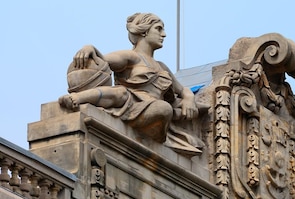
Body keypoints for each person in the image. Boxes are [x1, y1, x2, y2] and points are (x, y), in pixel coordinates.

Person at [59, 13, 202, 154]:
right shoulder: (132, 57)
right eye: (158, 29)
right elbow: (102, 60)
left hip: (154, 110)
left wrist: (189, 99)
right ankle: (77, 98)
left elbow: (183, 90)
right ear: (144, 31)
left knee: (163, 108)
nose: (164, 34)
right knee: (120, 92)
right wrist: (89, 48)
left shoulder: (162, 67)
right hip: (131, 103)